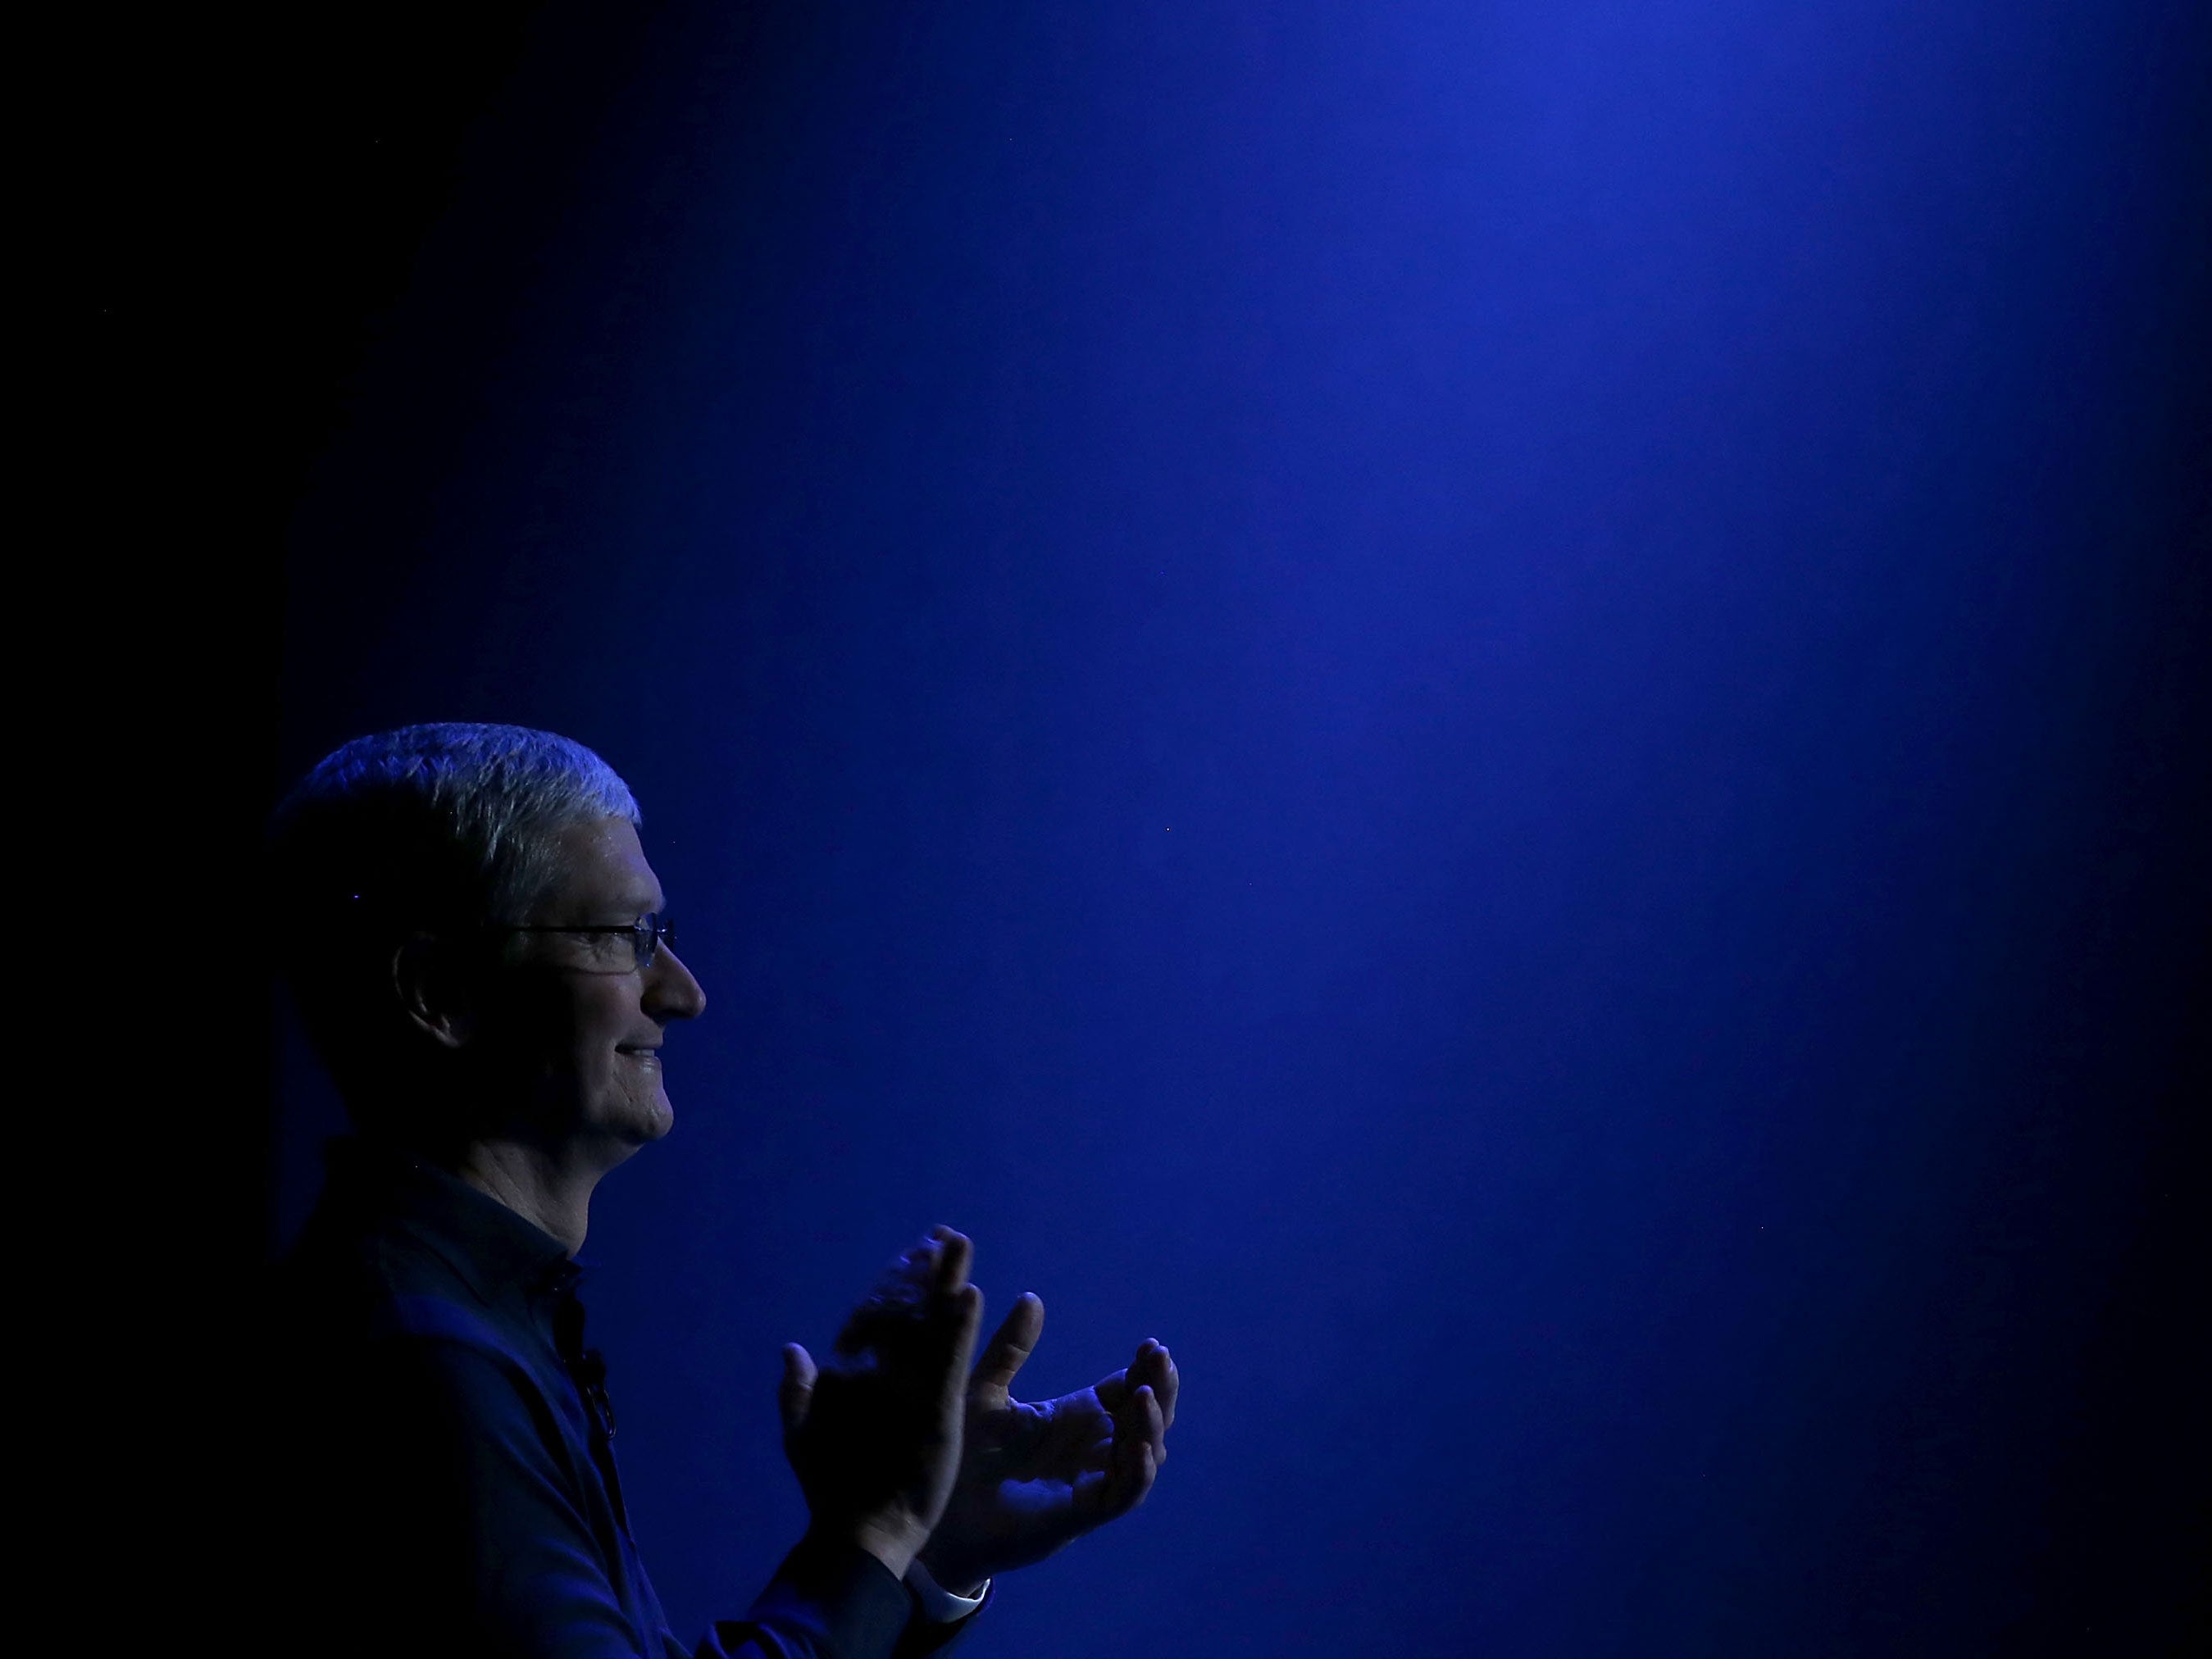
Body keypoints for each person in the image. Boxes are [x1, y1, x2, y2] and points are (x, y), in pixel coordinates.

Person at [259, 722, 1179, 1658]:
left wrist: (915, 1546)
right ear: (438, 991)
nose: (682, 992)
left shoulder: (460, 1321)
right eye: (623, 936)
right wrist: (872, 1530)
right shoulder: (421, 1356)